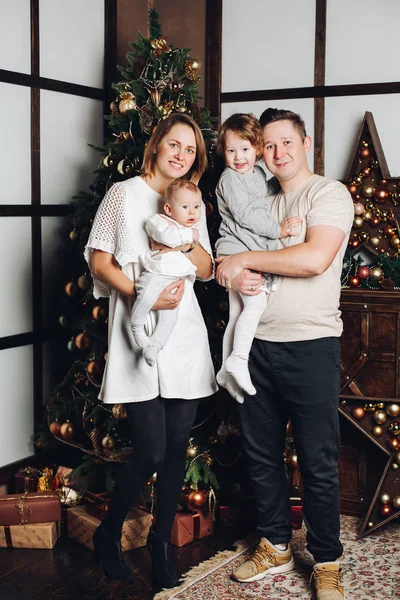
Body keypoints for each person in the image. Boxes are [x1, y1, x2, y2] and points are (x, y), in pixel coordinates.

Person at [216, 108, 353, 600]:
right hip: (253, 345)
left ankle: (327, 560)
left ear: (305, 142)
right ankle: (274, 542)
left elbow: (314, 258)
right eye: (267, 146)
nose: (276, 153)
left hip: (310, 344)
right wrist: (224, 269)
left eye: (285, 142)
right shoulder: (257, 194)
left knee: (317, 459)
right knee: (260, 454)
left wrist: (244, 259)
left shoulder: (327, 194)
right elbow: (222, 253)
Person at [84, 113, 218, 589]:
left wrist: (193, 236)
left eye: (190, 149)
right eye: (174, 145)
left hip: (183, 332)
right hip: (138, 326)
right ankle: (108, 534)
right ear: (157, 144)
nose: (181, 155)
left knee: (178, 446)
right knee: (150, 449)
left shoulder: (189, 201)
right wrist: (144, 293)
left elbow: (203, 269)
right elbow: (100, 261)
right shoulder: (124, 194)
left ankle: (161, 544)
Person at [214, 113, 301, 398]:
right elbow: (246, 213)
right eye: (231, 151)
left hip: (245, 250)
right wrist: (279, 230)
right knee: (255, 305)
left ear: (257, 149)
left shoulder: (259, 173)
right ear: (223, 152)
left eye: (246, 150)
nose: (239, 157)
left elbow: (271, 187)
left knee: (237, 312)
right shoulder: (229, 179)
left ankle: (226, 372)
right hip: (236, 249)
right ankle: (239, 360)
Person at [130, 179, 202, 367]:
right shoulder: (159, 221)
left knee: (170, 319)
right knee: (145, 298)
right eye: (185, 206)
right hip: (157, 274)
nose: (192, 212)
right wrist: (189, 239)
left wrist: (186, 243)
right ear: (169, 209)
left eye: (196, 206)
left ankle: (154, 346)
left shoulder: (188, 228)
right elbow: (167, 238)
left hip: (176, 280)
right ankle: (137, 328)